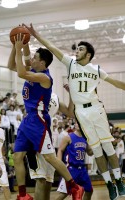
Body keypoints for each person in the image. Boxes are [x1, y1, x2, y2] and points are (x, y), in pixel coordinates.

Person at [23, 23, 125, 200]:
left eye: (80, 49)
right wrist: (36, 34)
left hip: (96, 108)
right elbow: (52, 48)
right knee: (97, 150)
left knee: (107, 145)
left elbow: (115, 82)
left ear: (88, 54)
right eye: (76, 49)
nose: (76, 51)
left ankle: (119, 180)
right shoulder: (70, 64)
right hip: (80, 112)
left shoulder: (97, 69)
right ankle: (109, 183)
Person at [7, 34, 83, 200]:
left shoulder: (44, 77)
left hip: (39, 121)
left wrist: (19, 48)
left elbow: (20, 72)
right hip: (29, 119)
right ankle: (22, 195)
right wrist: (15, 46)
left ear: (41, 62)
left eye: (35, 57)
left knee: (47, 166)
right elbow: (11, 65)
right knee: (17, 155)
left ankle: (74, 186)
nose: (32, 59)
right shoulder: (33, 71)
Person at [56, 121, 93, 200]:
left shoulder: (85, 138)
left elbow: (90, 152)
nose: (78, 124)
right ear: (75, 125)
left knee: (89, 190)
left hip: (82, 169)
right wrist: (59, 164)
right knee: (63, 194)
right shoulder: (68, 137)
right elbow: (60, 150)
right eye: (77, 123)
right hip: (72, 169)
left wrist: (97, 146)